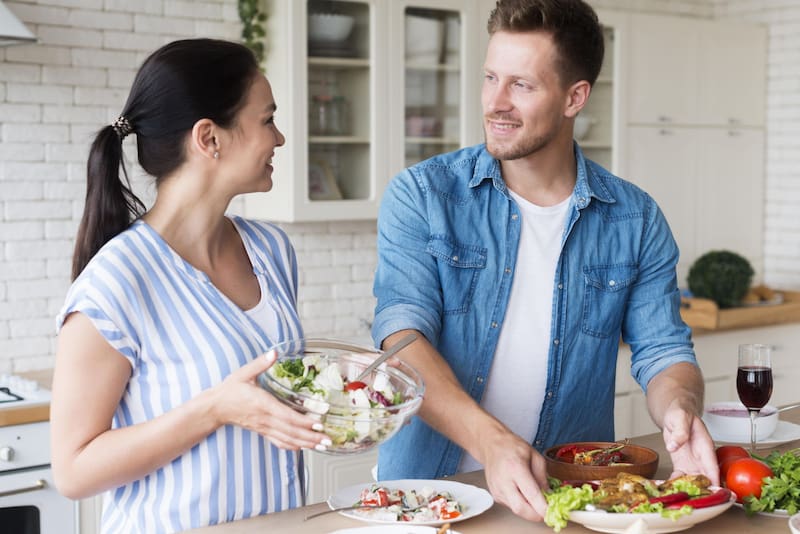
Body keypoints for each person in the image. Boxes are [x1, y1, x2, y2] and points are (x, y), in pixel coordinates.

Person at [371, 0, 719, 522]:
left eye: (522, 85)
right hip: (428, 497)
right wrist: (492, 443)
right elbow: (401, 339)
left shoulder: (634, 218)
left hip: (567, 501)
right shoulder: (424, 195)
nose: (495, 102)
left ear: (574, 97)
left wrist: (680, 412)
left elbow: (664, 349)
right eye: (491, 77)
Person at [50, 39, 331, 534]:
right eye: (267, 119)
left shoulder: (271, 251)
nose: (280, 138)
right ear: (210, 138)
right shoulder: (116, 282)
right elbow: (73, 471)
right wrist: (214, 409)